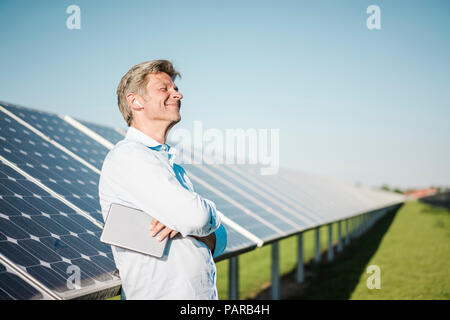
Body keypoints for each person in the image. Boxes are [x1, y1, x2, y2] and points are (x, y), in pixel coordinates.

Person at [98, 60, 227, 299]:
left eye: (175, 89)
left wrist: (194, 224)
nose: (177, 94)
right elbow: (197, 217)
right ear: (135, 101)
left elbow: (219, 240)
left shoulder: (171, 165)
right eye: (164, 89)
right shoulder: (130, 156)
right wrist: (197, 220)